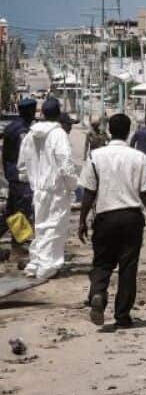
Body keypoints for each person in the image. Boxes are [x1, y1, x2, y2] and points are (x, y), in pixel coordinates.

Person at [77, 113, 146, 328]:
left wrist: (82, 220)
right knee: (128, 267)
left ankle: (98, 293)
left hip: (105, 217)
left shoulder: (95, 156)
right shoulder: (139, 157)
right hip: (132, 217)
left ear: (110, 131)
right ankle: (122, 316)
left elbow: (88, 192)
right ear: (127, 132)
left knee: (102, 262)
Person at [17, 98, 78, 279]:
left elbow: (22, 164)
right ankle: (47, 267)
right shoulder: (58, 134)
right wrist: (72, 185)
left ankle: (35, 263)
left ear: (42, 113)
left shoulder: (31, 134)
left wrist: (31, 181)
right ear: (59, 114)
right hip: (55, 189)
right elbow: (65, 163)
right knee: (54, 228)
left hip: (38, 189)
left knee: (41, 227)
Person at [3, 98, 37, 257]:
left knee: (11, 211)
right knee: (21, 210)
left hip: (12, 174)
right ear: (29, 112)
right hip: (20, 176)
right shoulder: (23, 131)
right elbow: (26, 156)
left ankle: (18, 242)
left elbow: (5, 155)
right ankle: (18, 244)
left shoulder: (11, 127)